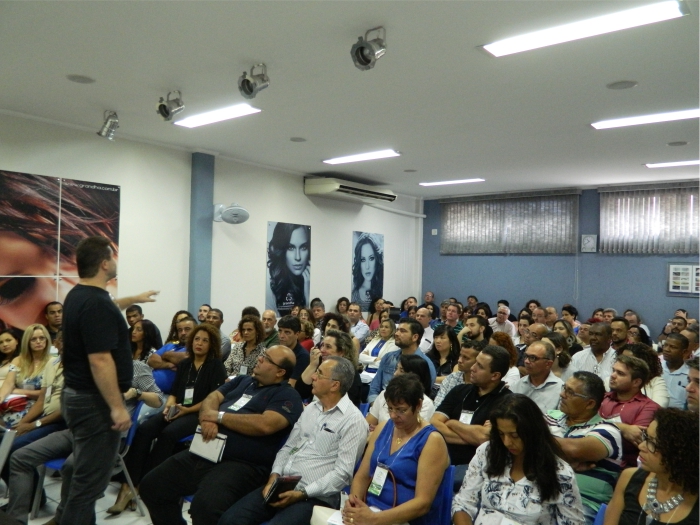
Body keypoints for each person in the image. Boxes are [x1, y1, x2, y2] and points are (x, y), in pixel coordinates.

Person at [5, 336, 165, 525]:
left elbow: (159, 401)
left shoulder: (135, 367)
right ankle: (16, 521)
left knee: (74, 467)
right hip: (76, 431)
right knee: (20, 457)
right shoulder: (87, 369)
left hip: (107, 437)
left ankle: (64, 517)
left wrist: (136, 393)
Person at [140, 345, 303, 525]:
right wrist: (209, 419)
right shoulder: (243, 381)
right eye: (262, 355)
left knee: (205, 508)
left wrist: (218, 417)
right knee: (151, 486)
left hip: (241, 464)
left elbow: (266, 424)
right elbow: (212, 398)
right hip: (206, 450)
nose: (260, 358)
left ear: (280, 372)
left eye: (267, 358)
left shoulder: (287, 395)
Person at [59, 235, 156, 525]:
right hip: (95, 404)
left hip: (79, 397)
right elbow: (99, 360)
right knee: (88, 487)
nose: (115, 262)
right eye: (112, 258)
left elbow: (107, 304)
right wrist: (116, 407)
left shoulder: (80, 295)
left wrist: (134, 299)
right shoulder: (96, 305)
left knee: (81, 475)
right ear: (104, 264)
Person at [218, 357, 368, 525]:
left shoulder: (354, 421)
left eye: (319, 373)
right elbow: (288, 447)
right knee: (229, 520)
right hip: (283, 485)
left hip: (314, 497)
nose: (313, 377)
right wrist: (274, 477)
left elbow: (342, 474)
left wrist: (302, 493)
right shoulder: (312, 408)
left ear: (335, 385)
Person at [113, 323, 226, 513]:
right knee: (145, 429)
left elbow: (212, 400)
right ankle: (128, 485)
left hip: (199, 413)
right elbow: (174, 392)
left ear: (211, 344)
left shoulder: (216, 366)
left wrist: (186, 410)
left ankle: (146, 483)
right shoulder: (184, 364)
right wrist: (170, 406)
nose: (199, 343)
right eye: (197, 339)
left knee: (168, 434)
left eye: (205, 340)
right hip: (177, 408)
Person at [453, 394, 584, 525]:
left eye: (514, 435)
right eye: (501, 434)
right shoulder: (487, 452)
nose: (507, 442)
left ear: (532, 431)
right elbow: (463, 503)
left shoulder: (560, 472)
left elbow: (572, 522)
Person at [343, 374, 449, 525]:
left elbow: (423, 503)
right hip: (370, 511)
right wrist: (355, 505)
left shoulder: (432, 441)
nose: (393, 415)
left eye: (401, 410)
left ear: (418, 405)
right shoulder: (382, 428)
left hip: (403, 520)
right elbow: (362, 475)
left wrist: (374, 519)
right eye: (390, 408)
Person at [431, 345, 512, 490]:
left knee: (438, 482)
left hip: (476, 466)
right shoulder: (459, 391)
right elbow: (434, 423)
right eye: (475, 362)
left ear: (495, 375)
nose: (473, 368)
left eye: (480, 366)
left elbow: (485, 438)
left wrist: (452, 423)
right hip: (440, 455)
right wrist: (472, 435)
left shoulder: (507, 402)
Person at [546, 372, 623, 524]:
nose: (562, 394)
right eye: (564, 388)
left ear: (590, 404)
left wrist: (531, 438)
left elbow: (573, 450)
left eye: (570, 392)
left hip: (582, 504)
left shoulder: (608, 430)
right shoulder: (550, 418)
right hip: (542, 495)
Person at [604, 408, 698, 525]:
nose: (641, 446)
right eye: (645, 437)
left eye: (652, 443)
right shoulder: (629, 477)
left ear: (678, 453)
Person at [600, 355, 660, 468]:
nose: (612, 375)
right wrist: (623, 428)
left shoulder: (649, 407)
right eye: (613, 370)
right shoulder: (602, 398)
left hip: (623, 468)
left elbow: (631, 442)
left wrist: (597, 424)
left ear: (636, 382)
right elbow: (583, 424)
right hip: (593, 459)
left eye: (620, 373)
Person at [368, 319, 437, 403]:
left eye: (402, 331)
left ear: (415, 337)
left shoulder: (425, 364)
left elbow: (423, 396)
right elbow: (374, 387)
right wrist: (375, 405)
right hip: (380, 404)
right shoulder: (388, 357)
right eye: (397, 330)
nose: (396, 334)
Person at [0, 324, 52, 428]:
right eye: (33, 339)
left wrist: (21, 391)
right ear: (27, 342)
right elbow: (8, 384)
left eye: (42, 338)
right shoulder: (18, 360)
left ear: (47, 339)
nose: (38, 341)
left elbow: (47, 394)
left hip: (38, 407)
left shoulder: (52, 361)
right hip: (15, 404)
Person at [367, 355, 436, 430]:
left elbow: (415, 431)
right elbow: (369, 423)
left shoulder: (426, 404)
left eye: (401, 370)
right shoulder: (385, 393)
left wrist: (379, 430)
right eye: (390, 408)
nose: (395, 374)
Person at [300, 330, 363, 405]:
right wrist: (312, 365)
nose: (322, 350)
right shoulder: (319, 365)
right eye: (322, 345)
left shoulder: (351, 375)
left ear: (341, 352)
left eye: (328, 347)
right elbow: (301, 392)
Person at [266, 223, 311, 317]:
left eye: (303, 247)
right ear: (281, 250)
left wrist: (307, 289)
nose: (298, 257)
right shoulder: (271, 286)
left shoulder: (308, 281)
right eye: (291, 248)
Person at [510, 340, 563, 413]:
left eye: (533, 358)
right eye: (526, 356)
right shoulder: (516, 385)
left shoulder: (560, 389)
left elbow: (561, 421)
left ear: (548, 364)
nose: (526, 361)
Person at [148, 316, 196, 394]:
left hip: (168, 394)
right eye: (180, 330)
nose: (183, 333)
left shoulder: (196, 349)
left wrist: (166, 355)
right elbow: (151, 360)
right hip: (149, 388)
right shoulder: (170, 345)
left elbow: (186, 358)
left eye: (187, 329)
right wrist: (168, 364)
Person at [614, 343, 670, 408]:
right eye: (622, 358)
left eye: (629, 361)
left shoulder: (656, 382)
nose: (623, 362)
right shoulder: (612, 378)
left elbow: (658, 407)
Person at [434, 339, 483, 407]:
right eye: (460, 355)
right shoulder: (450, 379)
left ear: (477, 361)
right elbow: (437, 406)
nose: (459, 360)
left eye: (466, 358)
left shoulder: (483, 385)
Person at [275, 315, 310, 388]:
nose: (281, 336)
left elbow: (291, 385)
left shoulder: (302, 356)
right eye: (280, 331)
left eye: (287, 332)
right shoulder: (275, 351)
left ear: (297, 334)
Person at [351, 233, 384, 312]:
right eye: (363, 260)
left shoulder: (381, 288)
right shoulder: (355, 293)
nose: (367, 266)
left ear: (377, 259)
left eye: (371, 258)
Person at [662, 333, 691, 409]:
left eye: (673, 347)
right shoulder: (656, 369)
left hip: (680, 417)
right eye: (665, 345)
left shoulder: (690, 374)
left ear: (684, 352)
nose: (666, 349)